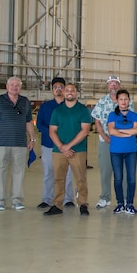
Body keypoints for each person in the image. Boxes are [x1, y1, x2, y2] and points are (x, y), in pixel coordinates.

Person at [0, 77, 35, 211]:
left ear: (20, 88)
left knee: (19, 172)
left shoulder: (25, 102)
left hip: (20, 143)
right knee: (0, 172)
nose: (14, 87)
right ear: (7, 86)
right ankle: (0, 201)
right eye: (12, 85)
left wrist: (32, 138)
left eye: (17, 85)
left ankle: (16, 200)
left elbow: (28, 121)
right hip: (0, 143)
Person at [44, 83, 92, 216]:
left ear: (76, 93)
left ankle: (82, 204)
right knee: (58, 179)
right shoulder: (58, 111)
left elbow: (85, 130)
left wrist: (68, 146)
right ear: (63, 93)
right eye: (67, 90)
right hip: (59, 151)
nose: (70, 92)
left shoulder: (82, 110)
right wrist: (61, 147)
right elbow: (52, 131)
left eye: (72, 90)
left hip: (78, 150)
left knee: (81, 179)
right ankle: (57, 205)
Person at [91, 75, 134, 209]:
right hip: (106, 142)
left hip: (124, 142)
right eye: (111, 83)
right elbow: (97, 121)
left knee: (125, 171)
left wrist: (122, 135)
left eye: (116, 83)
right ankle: (105, 197)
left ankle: (126, 199)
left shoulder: (127, 102)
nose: (113, 86)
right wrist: (104, 136)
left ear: (119, 86)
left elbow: (133, 121)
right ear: (107, 86)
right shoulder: (102, 101)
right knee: (106, 170)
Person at [36, 77, 75, 209]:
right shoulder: (45, 107)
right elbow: (39, 124)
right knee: (48, 173)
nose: (58, 90)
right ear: (52, 90)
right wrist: (51, 133)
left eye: (61, 87)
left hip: (67, 145)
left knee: (68, 173)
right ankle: (47, 199)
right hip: (48, 145)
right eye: (55, 87)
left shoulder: (71, 106)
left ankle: (68, 199)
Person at [107, 89, 137, 215]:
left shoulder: (134, 115)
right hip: (116, 151)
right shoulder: (112, 115)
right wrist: (128, 132)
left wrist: (119, 131)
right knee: (118, 178)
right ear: (117, 100)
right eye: (120, 99)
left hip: (131, 151)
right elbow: (111, 131)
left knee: (131, 178)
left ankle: (130, 203)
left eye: (125, 99)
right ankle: (120, 203)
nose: (123, 101)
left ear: (129, 100)